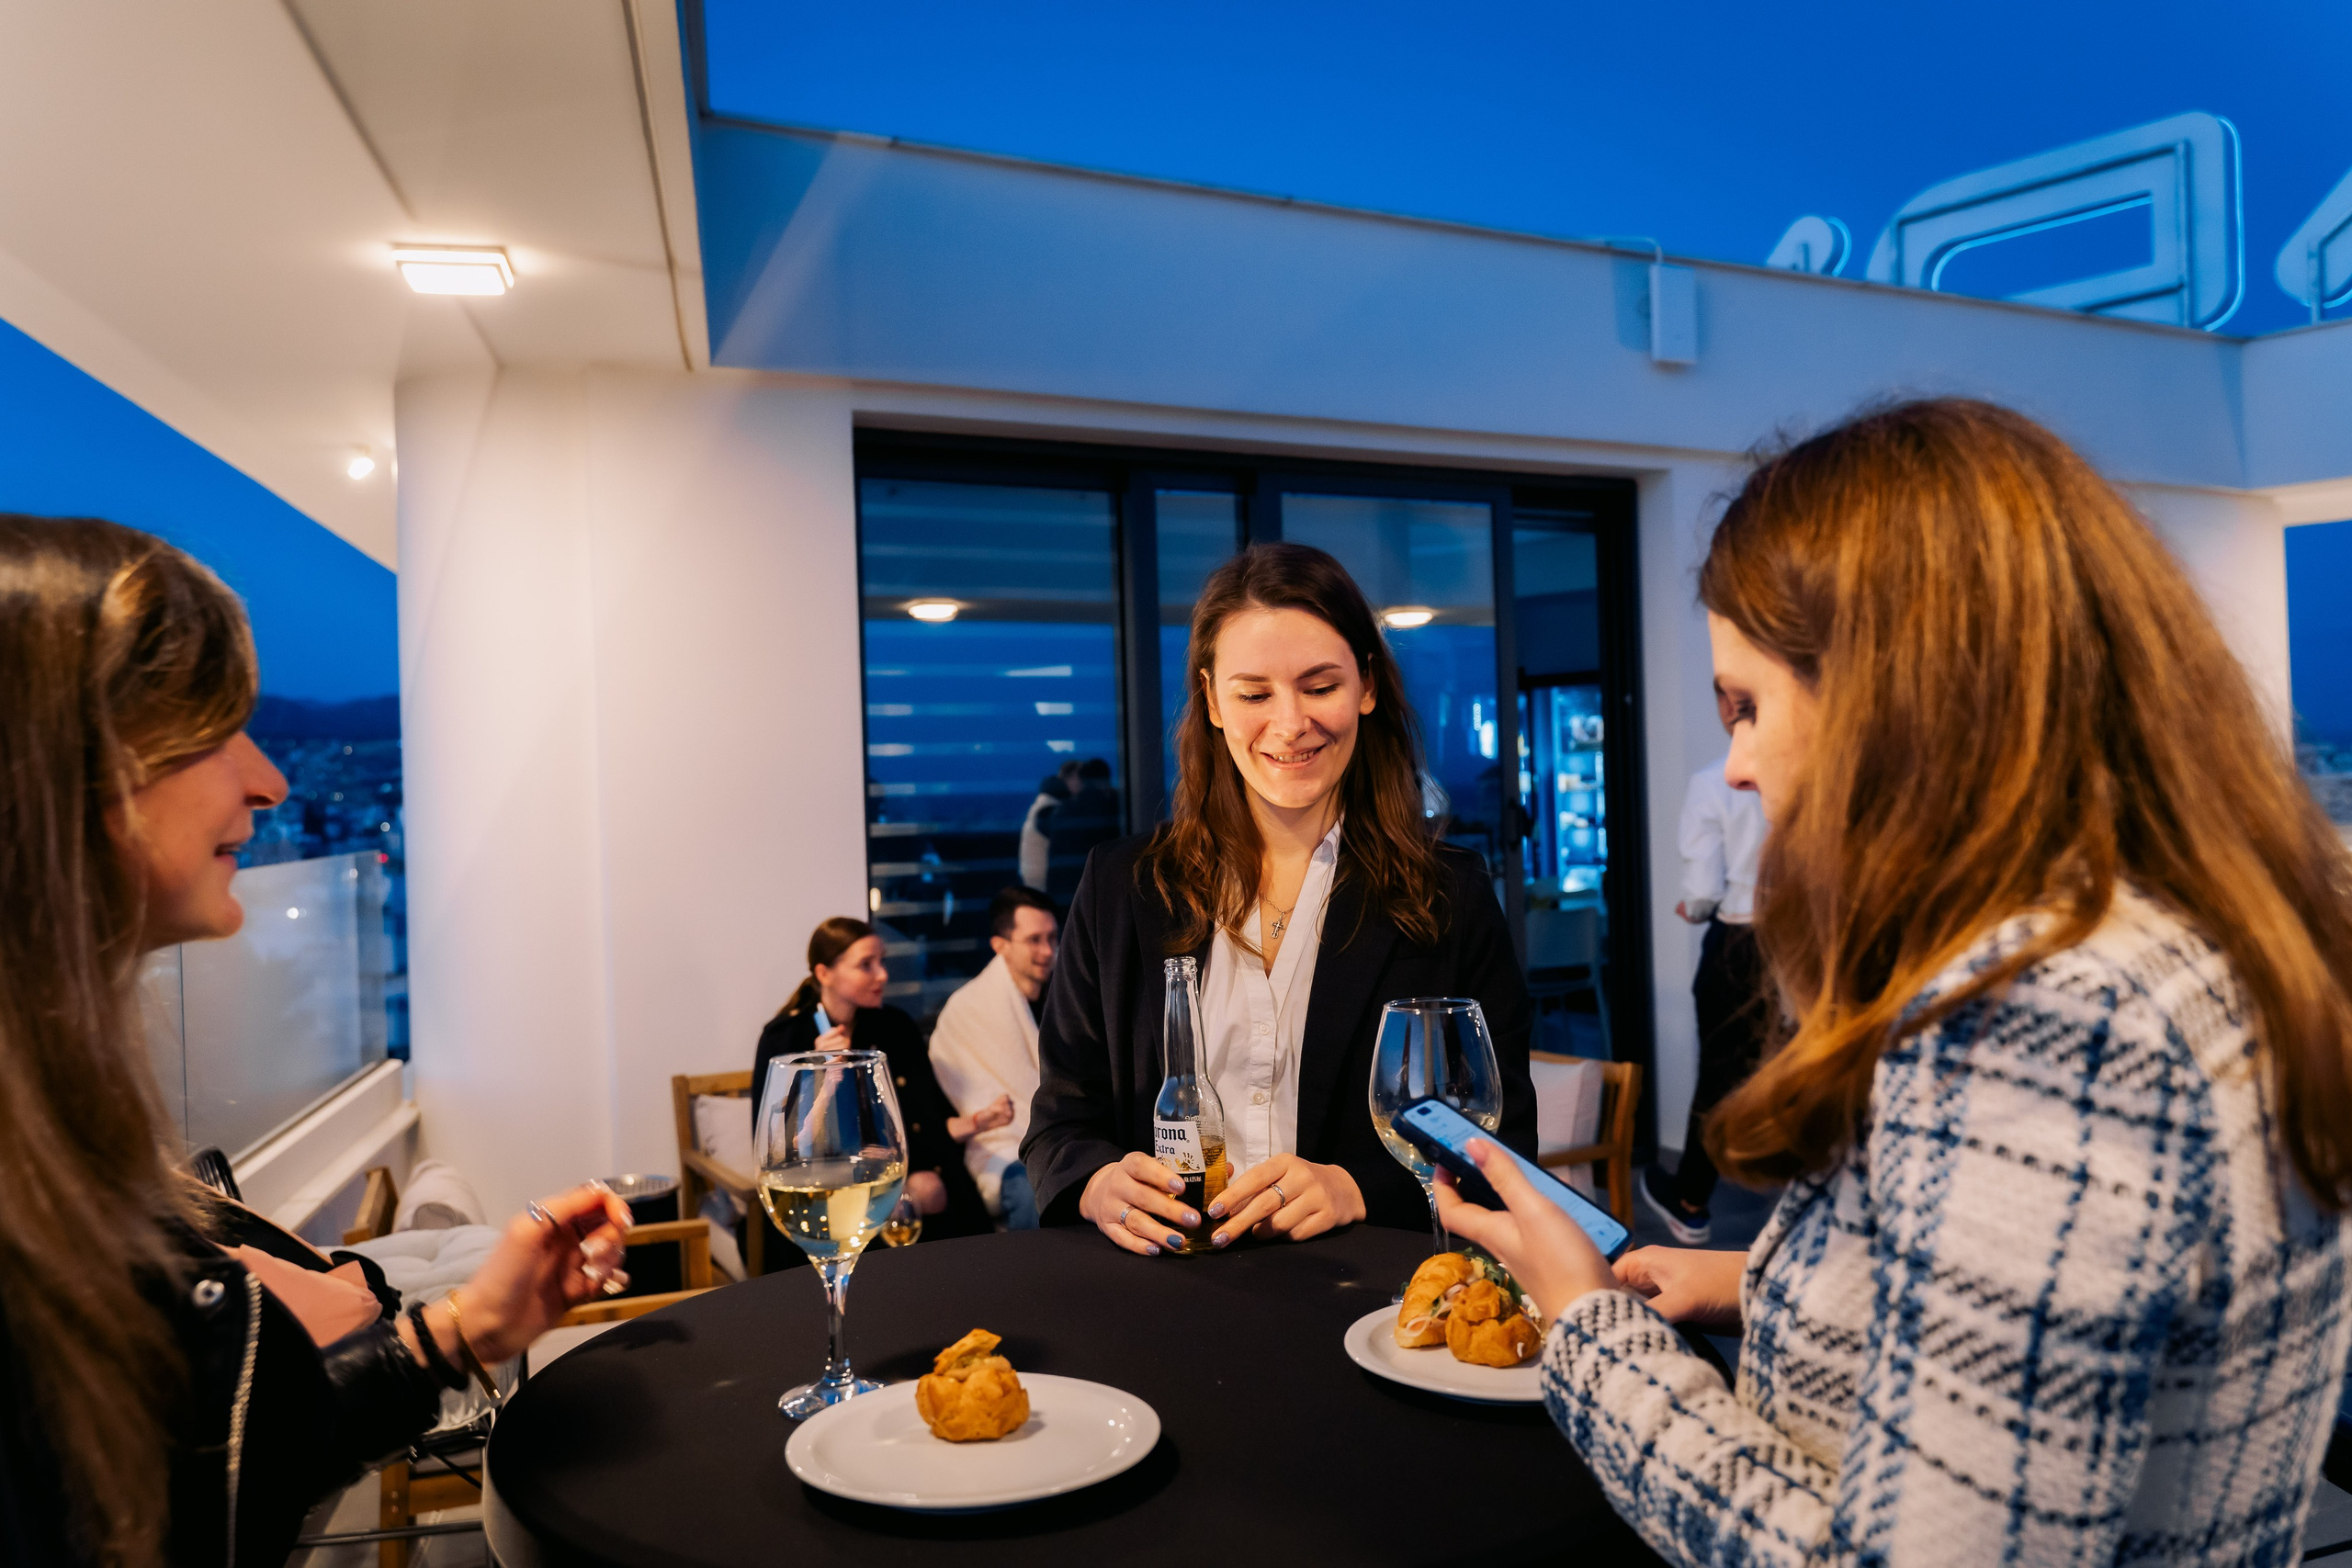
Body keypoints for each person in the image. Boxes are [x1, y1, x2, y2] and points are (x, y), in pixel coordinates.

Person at [1435, 400, 2352, 1566]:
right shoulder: (2184, 938)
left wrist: (1590, 1329)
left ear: (1898, 696)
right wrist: (1754, 1283)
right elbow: (2052, 1353)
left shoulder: (2041, 1020)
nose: (1740, 764)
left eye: (1753, 705)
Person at [0, 514, 632, 1568]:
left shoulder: (58, 1140)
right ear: (61, 770)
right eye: (213, 732)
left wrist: (463, 1330)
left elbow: (221, 1466)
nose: (270, 781)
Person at [1024, 542, 1537, 1255]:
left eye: (1319, 686)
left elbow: (1500, 1141)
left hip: (1361, 1298)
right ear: (1210, 699)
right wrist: (1096, 1181)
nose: (1290, 723)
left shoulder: (1448, 893)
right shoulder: (1121, 887)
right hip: (1161, 1295)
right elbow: (1059, 1122)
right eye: (1254, 693)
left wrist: (1356, 1188)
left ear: (1366, 685)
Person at [752, 919, 1002, 1256]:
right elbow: (779, 1150)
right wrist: (817, 1076)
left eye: (881, 962)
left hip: (892, 1170)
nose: (882, 975)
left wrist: (976, 1124)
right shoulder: (785, 1038)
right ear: (824, 974)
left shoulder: (895, 1027)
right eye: (866, 965)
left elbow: (921, 1125)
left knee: (934, 1191)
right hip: (821, 1182)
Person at [1642, 693, 1770, 1245]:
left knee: (1720, 1074)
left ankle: (1691, 1201)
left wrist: (1693, 907)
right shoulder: (1819, 773)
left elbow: (1703, 889)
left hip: (1740, 941)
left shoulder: (1717, 780)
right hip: (1807, 938)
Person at [928, 886, 1057, 1231]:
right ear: (1000, 946)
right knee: (1032, 1188)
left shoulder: (1062, 1000)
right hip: (998, 1151)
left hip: (1060, 1139)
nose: (1048, 951)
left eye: (1052, 938)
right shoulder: (968, 1008)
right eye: (1034, 940)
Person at [1045, 757, 1121, 902]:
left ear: (1082, 780)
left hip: (1066, 888)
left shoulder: (1063, 811)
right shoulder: (1114, 808)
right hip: (1099, 887)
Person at [1016, 761, 1079, 892]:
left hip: (1036, 881)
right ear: (1072, 777)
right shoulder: (1051, 808)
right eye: (1081, 778)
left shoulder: (1045, 803)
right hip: (1042, 885)